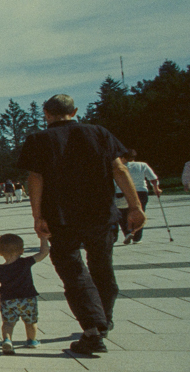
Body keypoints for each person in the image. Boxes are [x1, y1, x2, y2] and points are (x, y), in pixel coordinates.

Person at [17, 94, 142, 355]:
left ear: (46, 114)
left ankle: (93, 330)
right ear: (74, 112)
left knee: (73, 273)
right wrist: (135, 206)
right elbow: (120, 169)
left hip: (61, 217)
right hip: (101, 214)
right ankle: (103, 321)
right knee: (102, 267)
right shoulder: (99, 133)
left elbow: (36, 178)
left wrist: (37, 216)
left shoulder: (38, 140)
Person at [0, 231, 50, 354]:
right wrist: (43, 239)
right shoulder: (25, 262)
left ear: (0, 252)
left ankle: (7, 340)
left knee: (8, 323)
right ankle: (32, 340)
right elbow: (44, 253)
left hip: (8, 300)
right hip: (28, 299)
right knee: (31, 322)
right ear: (22, 251)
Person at [117, 150, 159, 244]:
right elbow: (153, 178)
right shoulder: (142, 165)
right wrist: (156, 188)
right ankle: (137, 237)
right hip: (140, 191)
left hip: (121, 192)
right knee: (139, 213)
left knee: (123, 214)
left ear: (123, 158)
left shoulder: (118, 167)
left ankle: (127, 233)